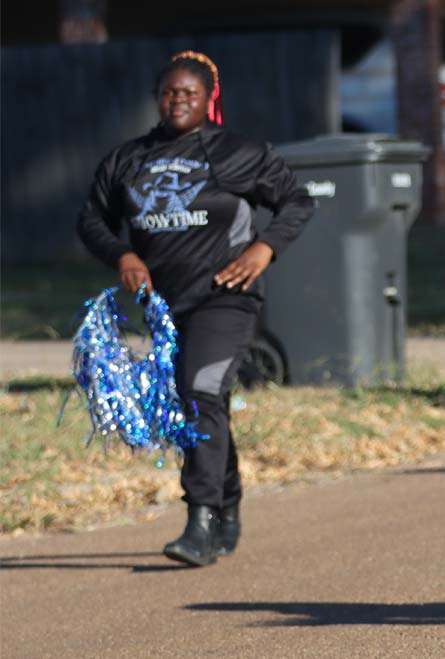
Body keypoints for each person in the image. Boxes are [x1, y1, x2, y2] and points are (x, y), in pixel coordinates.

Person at [77, 52, 313, 567]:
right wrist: (123, 254)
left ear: (209, 98)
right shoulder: (128, 159)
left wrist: (262, 248)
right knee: (202, 401)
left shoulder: (238, 153)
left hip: (225, 298)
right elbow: (92, 220)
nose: (177, 100)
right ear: (157, 97)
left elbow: (297, 200)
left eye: (189, 93)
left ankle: (200, 517)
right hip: (164, 308)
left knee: (199, 390)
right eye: (169, 92)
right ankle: (227, 503)